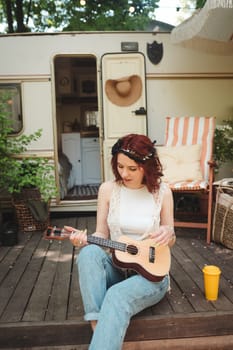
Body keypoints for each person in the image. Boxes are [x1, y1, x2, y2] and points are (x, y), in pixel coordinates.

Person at [68, 133, 176, 350]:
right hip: (118, 267)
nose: (124, 173)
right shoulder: (108, 190)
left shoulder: (162, 192)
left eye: (132, 169)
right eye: (120, 166)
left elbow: (170, 235)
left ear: (147, 166)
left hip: (151, 275)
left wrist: (168, 233)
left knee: (116, 295)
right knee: (88, 254)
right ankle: (97, 324)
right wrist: (84, 240)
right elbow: (101, 235)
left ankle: (101, 337)